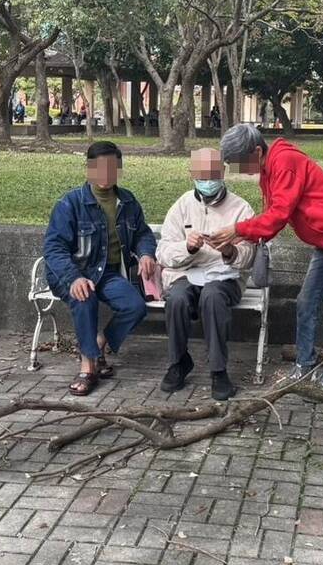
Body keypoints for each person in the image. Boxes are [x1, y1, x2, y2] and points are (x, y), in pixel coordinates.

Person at [212, 124, 323, 393]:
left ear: (257, 151)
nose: (240, 170)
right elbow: (270, 216)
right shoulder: (268, 169)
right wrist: (242, 236)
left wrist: (238, 229)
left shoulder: (284, 162)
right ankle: (304, 364)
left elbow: (277, 217)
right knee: (306, 302)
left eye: (240, 163)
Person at [43, 141, 157, 396]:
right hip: (70, 273)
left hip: (105, 272)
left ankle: (99, 343)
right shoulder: (70, 203)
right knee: (85, 299)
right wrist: (73, 278)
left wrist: (146, 253)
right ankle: (88, 366)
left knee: (135, 306)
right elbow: (54, 247)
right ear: (89, 169)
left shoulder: (127, 201)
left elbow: (143, 234)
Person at [156, 148, 256, 400]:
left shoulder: (241, 209)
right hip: (186, 274)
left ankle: (218, 370)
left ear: (223, 172)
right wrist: (187, 247)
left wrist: (230, 251)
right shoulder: (181, 206)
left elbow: (249, 257)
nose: (208, 180)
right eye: (201, 175)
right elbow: (164, 253)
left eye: (213, 174)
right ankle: (178, 362)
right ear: (192, 174)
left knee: (212, 297)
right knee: (177, 299)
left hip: (225, 277)